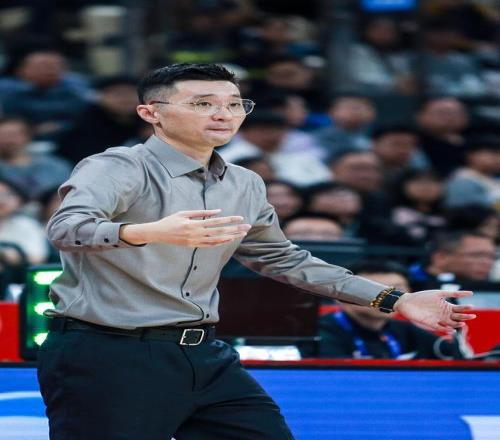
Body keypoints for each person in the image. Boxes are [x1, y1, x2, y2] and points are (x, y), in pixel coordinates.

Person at [39, 63, 475, 440]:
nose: (223, 114)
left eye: (234, 104)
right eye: (203, 103)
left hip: (204, 353)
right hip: (108, 350)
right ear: (151, 113)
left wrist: (394, 300)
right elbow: (66, 228)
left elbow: (285, 259)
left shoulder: (244, 183)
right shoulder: (118, 166)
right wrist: (151, 232)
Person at [318, 261, 465, 359]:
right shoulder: (320, 333)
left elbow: (456, 361)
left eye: (397, 290)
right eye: (374, 290)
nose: (388, 298)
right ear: (340, 295)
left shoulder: (407, 330)